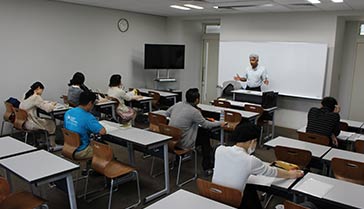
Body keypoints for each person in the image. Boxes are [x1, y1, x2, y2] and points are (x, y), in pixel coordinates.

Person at [212, 122, 303, 209]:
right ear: (253, 141)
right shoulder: (250, 160)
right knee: (249, 188)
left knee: (249, 188)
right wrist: (291, 174)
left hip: (215, 194)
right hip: (234, 200)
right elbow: (273, 172)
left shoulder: (220, 149)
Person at [165, 88, 226, 176]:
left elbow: (167, 114)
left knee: (201, 132)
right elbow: (206, 125)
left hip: (171, 141)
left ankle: (179, 160)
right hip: (183, 143)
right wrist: (220, 123)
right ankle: (207, 167)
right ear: (197, 99)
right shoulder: (194, 112)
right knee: (205, 136)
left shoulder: (178, 104)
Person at [64, 91, 106, 160]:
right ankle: (99, 167)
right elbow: (102, 132)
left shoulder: (68, 112)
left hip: (68, 146)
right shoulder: (88, 117)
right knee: (106, 149)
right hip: (81, 150)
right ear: (90, 103)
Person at [19, 82, 58, 149]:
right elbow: (48, 109)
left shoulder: (26, 95)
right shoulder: (36, 97)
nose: (42, 92)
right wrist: (53, 105)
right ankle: (52, 144)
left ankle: (43, 141)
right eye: (42, 90)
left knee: (44, 121)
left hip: (22, 121)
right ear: (39, 88)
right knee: (51, 122)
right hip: (31, 123)